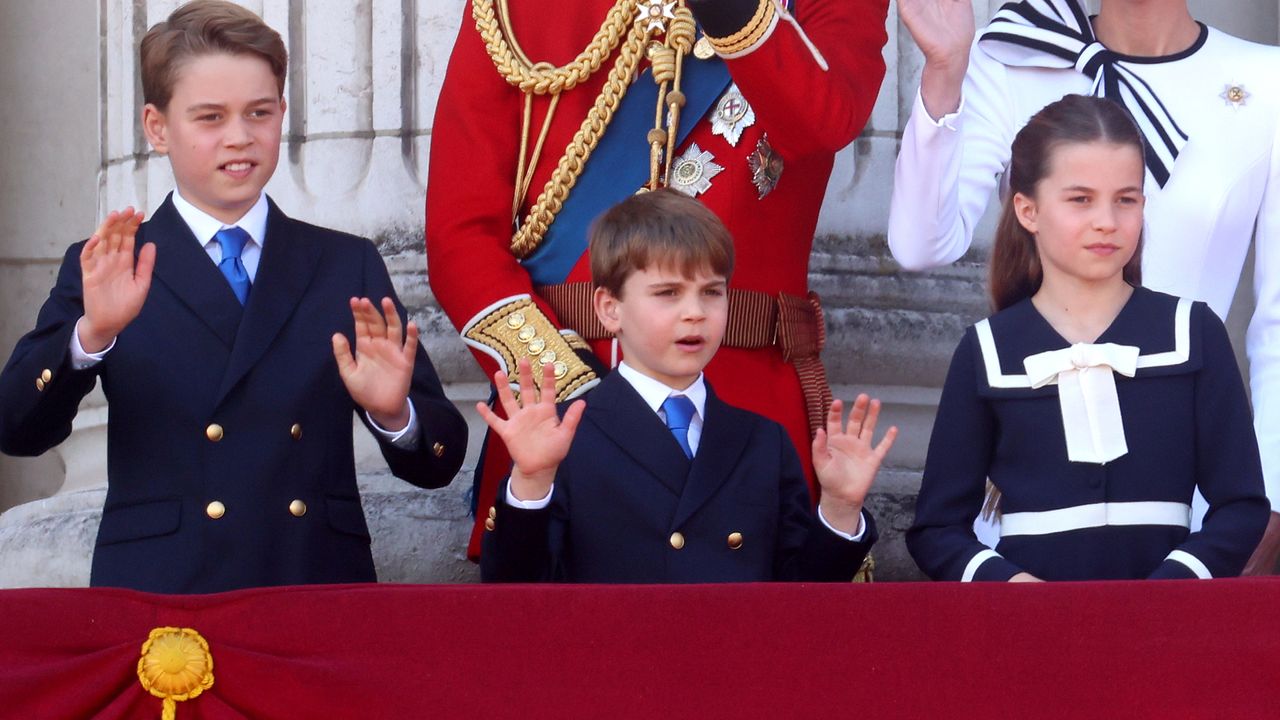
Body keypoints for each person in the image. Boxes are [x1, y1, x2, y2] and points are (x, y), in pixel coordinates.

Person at [0, 1, 468, 594]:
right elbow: (16, 429)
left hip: (311, 587)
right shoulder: (107, 264)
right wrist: (90, 337)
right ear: (156, 127)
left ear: (282, 114)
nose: (240, 137)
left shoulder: (344, 264)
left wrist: (392, 415)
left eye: (259, 112)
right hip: (162, 596)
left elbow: (439, 461)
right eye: (210, 117)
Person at [426, 0, 891, 559]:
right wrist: (570, 397)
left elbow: (824, 119)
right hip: (560, 417)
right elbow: (461, 240)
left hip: (745, 416)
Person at [892, 0, 1280, 573]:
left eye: (1126, 199)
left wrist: (1268, 506)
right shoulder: (1014, 55)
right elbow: (923, 244)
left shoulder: (1267, 79)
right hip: (1029, 518)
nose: (1107, 219)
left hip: (1193, 524)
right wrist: (946, 73)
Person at [478, 189, 896, 582]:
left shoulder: (763, 442)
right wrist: (531, 482)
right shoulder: (564, 437)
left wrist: (840, 508)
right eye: (668, 293)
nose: (695, 313)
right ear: (609, 308)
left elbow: (802, 602)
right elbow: (516, 595)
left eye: (712, 292)